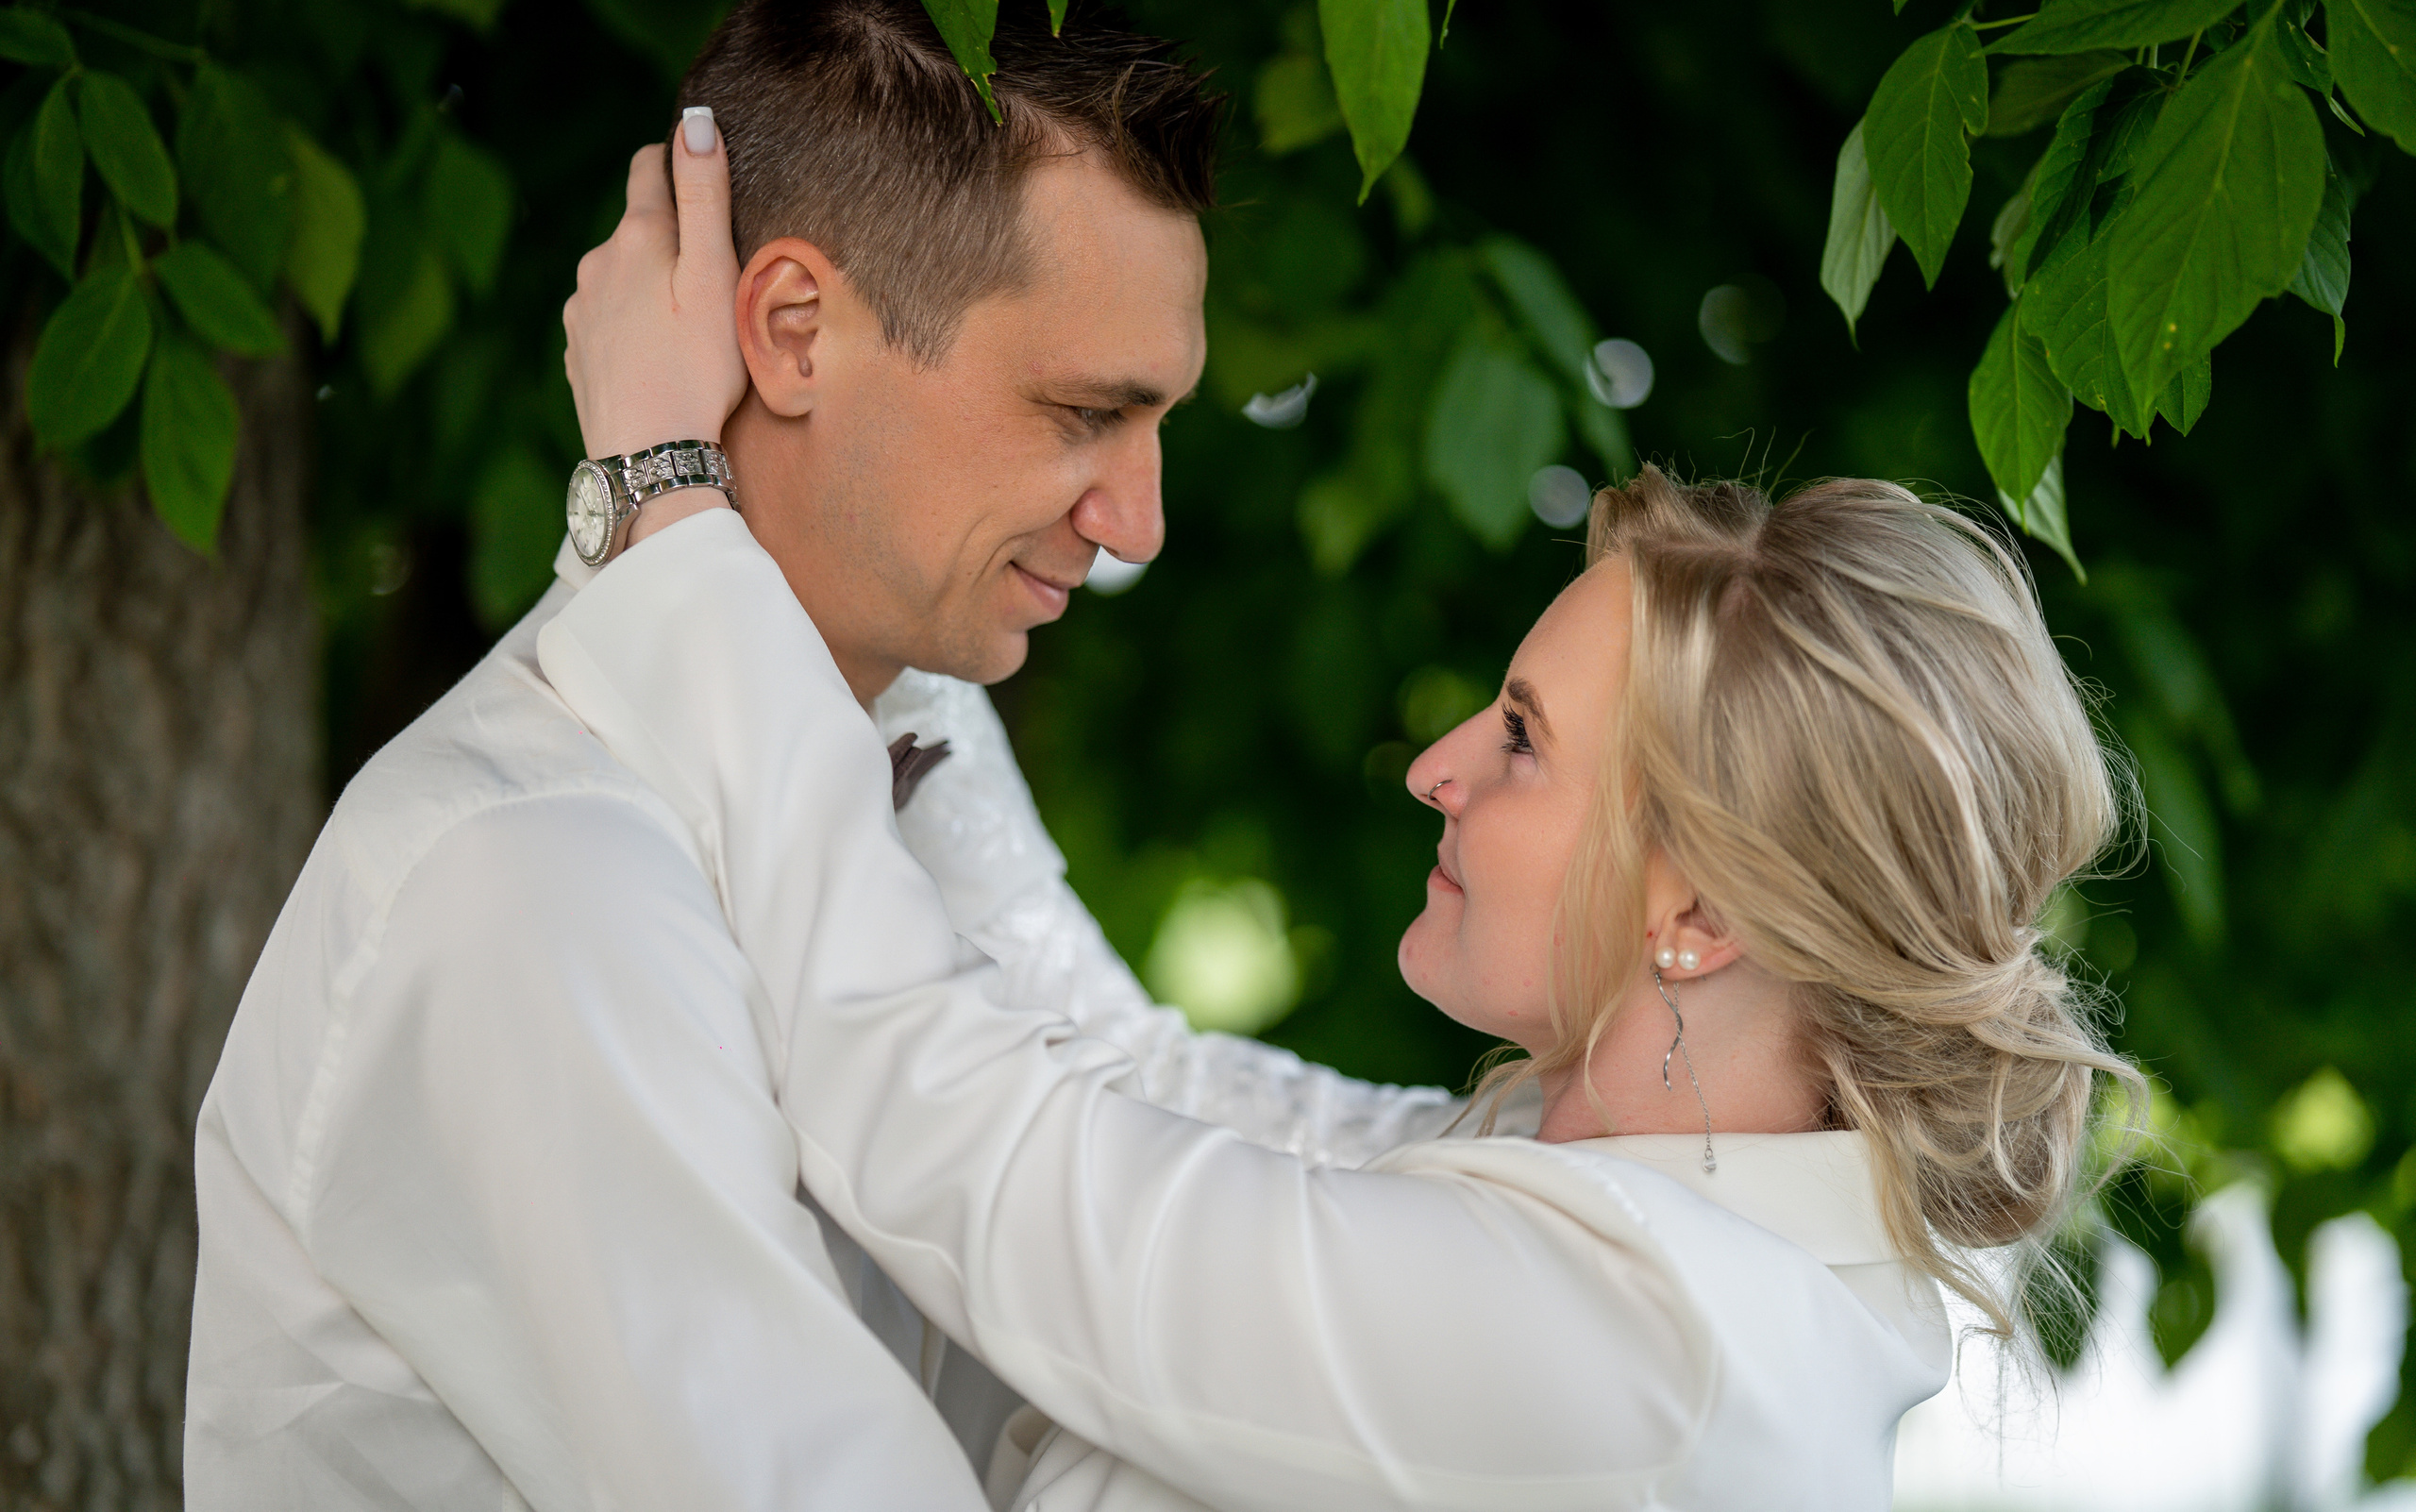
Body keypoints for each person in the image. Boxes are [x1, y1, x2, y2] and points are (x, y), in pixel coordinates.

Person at [539, 131, 2145, 1506]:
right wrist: (902, 627)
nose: (1435, 766)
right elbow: (1134, 1082)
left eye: (1520, 742)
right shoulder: (1609, 1182)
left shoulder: (1651, 1359)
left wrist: (667, 496)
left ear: (1703, 914)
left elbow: (1000, 1171)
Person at [185, 0, 1470, 1510]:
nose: (1137, 519)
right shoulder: (531, 886)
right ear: (792, 331)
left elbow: (1139, 1105)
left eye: (1159, 424)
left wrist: (1635, 1175)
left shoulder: (905, 712)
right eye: (1084, 414)